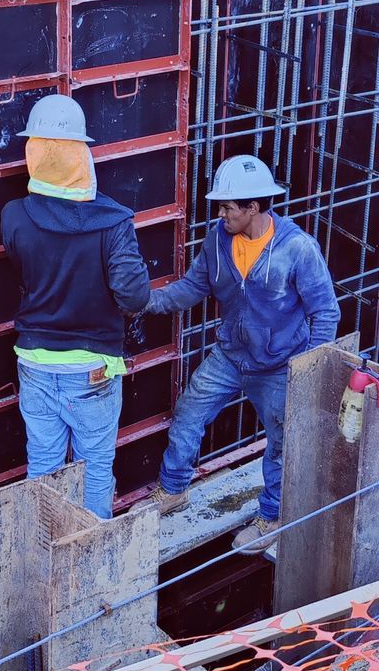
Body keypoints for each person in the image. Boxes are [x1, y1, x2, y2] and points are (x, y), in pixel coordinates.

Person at [140, 155, 339, 551]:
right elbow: (193, 287)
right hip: (231, 356)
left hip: (281, 365)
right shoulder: (218, 239)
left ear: (254, 207)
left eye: (229, 206)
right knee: (190, 411)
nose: (221, 212)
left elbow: (326, 313)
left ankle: (272, 516)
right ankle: (173, 488)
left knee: (282, 441)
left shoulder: (298, 249)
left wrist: (309, 370)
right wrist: (147, 301)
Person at [0, 94, 150, 519]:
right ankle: (90, 565)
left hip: (34, 360)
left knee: (43, 469)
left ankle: (40, 560)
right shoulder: (114, 221)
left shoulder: (13, 216)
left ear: (34, 152)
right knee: (95, 467)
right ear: (82, 154)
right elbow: (134, 296)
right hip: (93, 367)